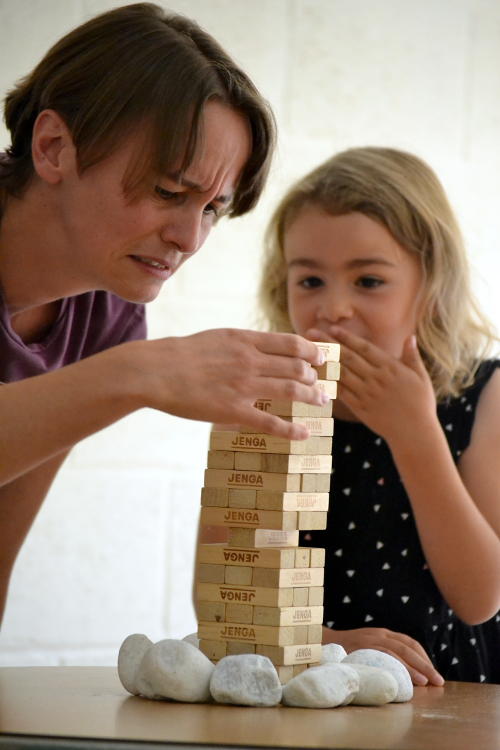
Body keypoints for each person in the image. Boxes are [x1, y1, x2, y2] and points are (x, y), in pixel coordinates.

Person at [0, 3, 329, 624]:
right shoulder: (124, 349)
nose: (189, 238)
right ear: (52, 148)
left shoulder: (108, 313)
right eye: (169, 192)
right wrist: (141, 374)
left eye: (211, 209)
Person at [258, 146, 500, 685]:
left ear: (431, 285)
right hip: (304, 694)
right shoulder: (269, 403)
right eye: (310, 281)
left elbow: (481, 596)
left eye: (367, 281)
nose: (334, 308)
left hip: (449, 701)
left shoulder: (487, 394)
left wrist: (413, 432)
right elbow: (227, 598)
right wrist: (329, 646)